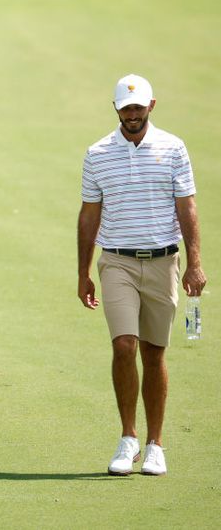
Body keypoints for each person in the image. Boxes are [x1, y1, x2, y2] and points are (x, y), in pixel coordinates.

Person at [78, 74, 207, 476]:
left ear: (151, 106)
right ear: (115, 109)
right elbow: (89, 215)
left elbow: (187, 207)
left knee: (154, 352)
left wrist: (195, 263)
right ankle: (128, 437)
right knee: (124, 345)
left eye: (138, 107)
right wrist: (83, 272)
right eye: (125, 108)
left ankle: (155, 444)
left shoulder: (173, 147)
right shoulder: (97, 153)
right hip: (116, 261)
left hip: (163, 261)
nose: (132, 114)